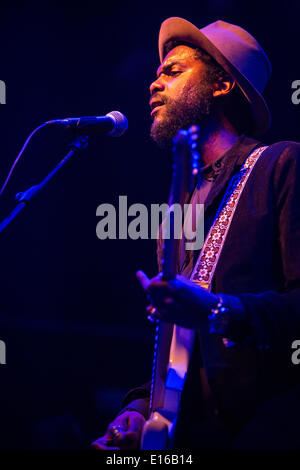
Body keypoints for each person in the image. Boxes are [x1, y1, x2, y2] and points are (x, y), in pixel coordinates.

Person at [92, 17, 300, 450]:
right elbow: (178, 351)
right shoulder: (176, 215)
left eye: (173, 71)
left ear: (221, 84)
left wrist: (220, 310)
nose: (154, 84)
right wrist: (139, 409)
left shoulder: (281, 165)